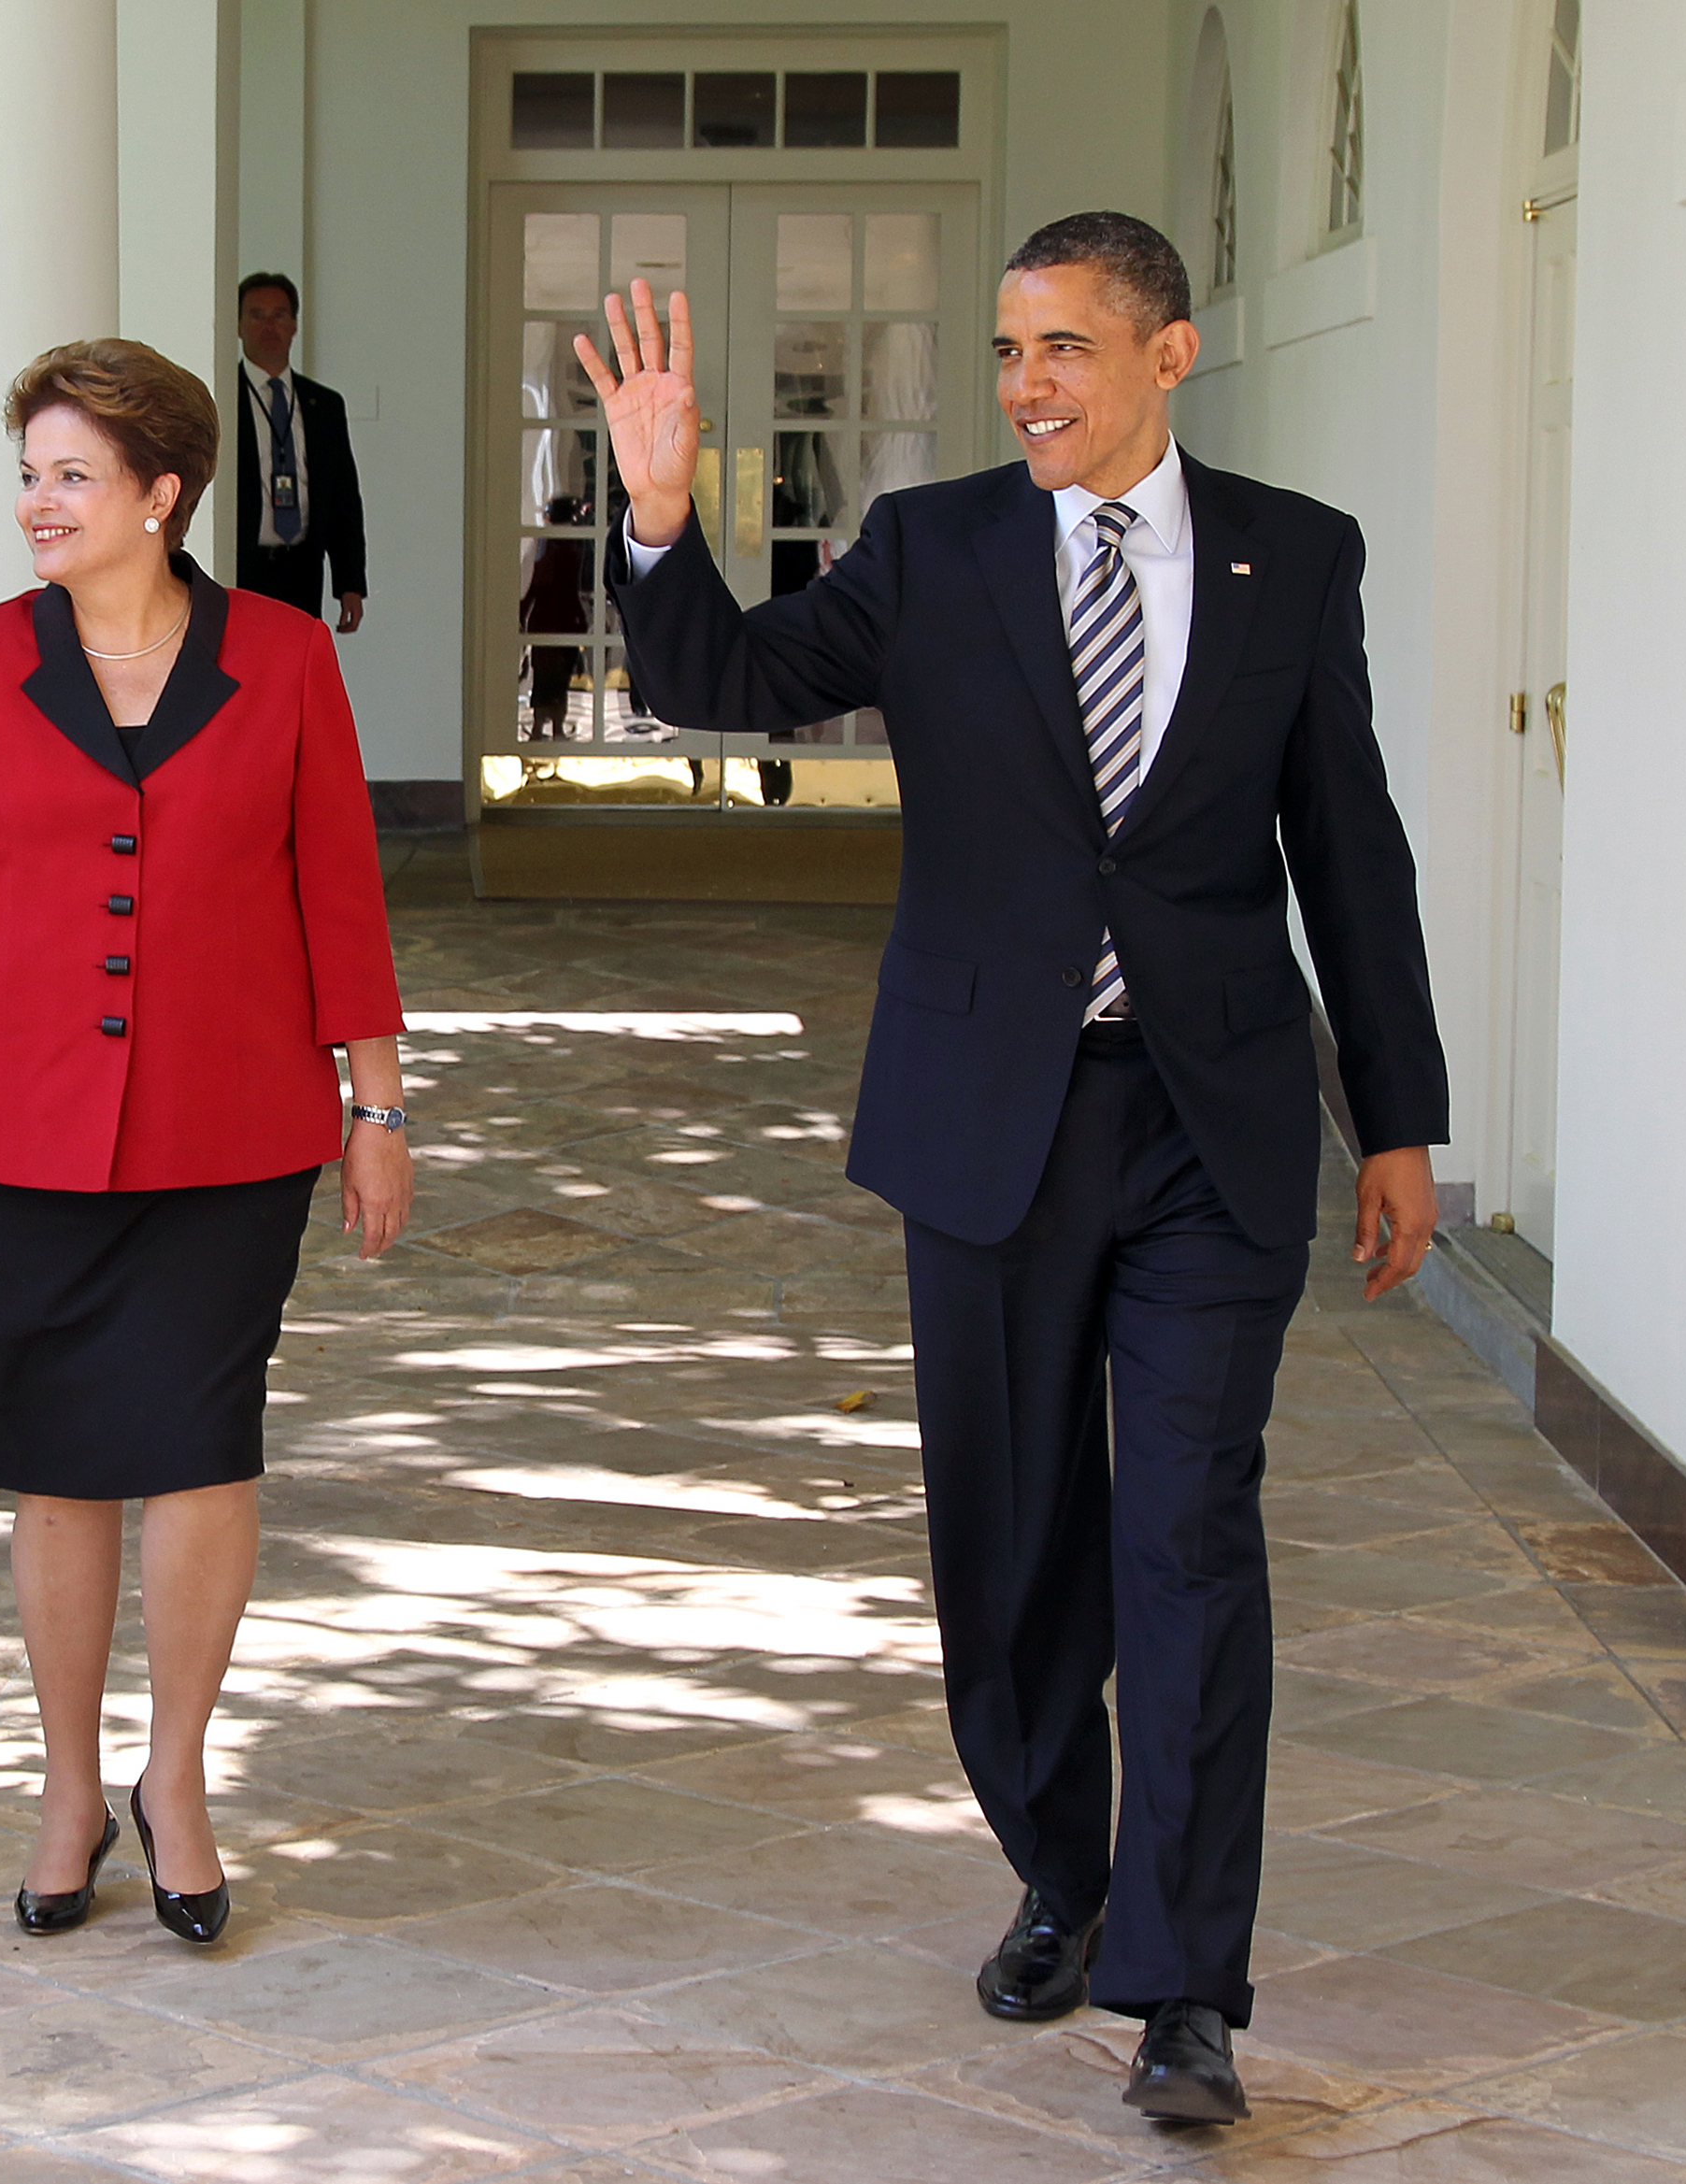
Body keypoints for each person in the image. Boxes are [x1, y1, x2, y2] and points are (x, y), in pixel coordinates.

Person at [580, 212, 1447, 2125]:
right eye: (1003, 350)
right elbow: (725, 674)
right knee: (1015, 1535)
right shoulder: (933, 545)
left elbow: (1347, 842)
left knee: (1189, 1538)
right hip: (994, 1119)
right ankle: (1062, 1868)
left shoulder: (1293, 553)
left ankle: (1185, 1985)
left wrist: (1394, 1114)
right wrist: (655, 514)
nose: (1024, 384)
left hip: (1210, 1117)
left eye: (1060, 346)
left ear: (1167, 353)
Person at [0, 337, 413, 1949]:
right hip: (16, 1133)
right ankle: (67, 1786)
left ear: (161, 493)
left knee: (205, 1452)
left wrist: (377, 1106)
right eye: (29, 474)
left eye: (72, 475)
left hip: (233, 1127)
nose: (37, 504)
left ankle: (178, 1777)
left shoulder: (282, 656)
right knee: (60, 1471)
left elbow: (339, 891)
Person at [231, 274, 368, 632]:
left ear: (294, 325)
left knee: (298, 661)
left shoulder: (324, 405)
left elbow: (344, 500)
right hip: (240, 567)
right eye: (257, 315)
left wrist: (350, 583)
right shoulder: (222, 399)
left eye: (279, 315)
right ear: (239, 326)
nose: (269, 326)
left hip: (303, 570)